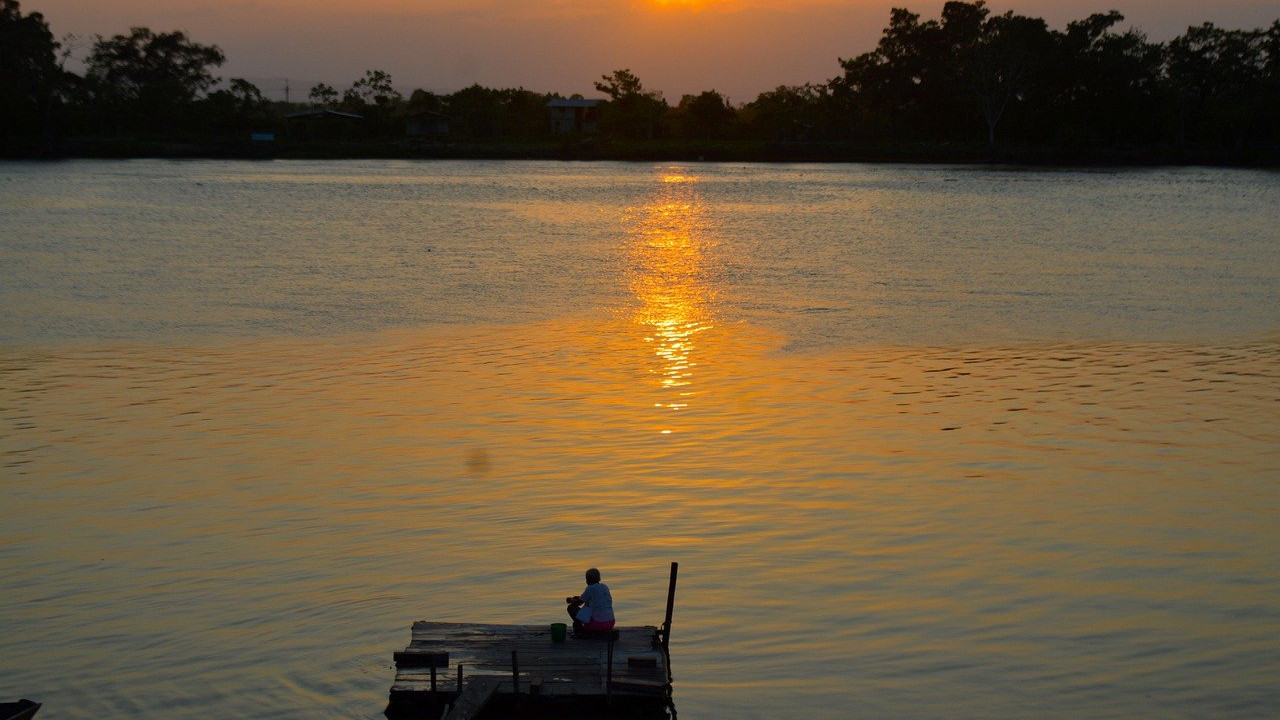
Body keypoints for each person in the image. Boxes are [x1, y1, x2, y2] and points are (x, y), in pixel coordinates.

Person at [565, 567, 615, 634]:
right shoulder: (605, 587)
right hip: (610, 623)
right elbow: (595, 598)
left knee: (571, 608)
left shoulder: (590, 588)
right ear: (599, 579)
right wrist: (579, 598)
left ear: (587, 580)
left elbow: (579, 603)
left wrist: (571, 600)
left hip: (597, 624)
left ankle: (581, 630)